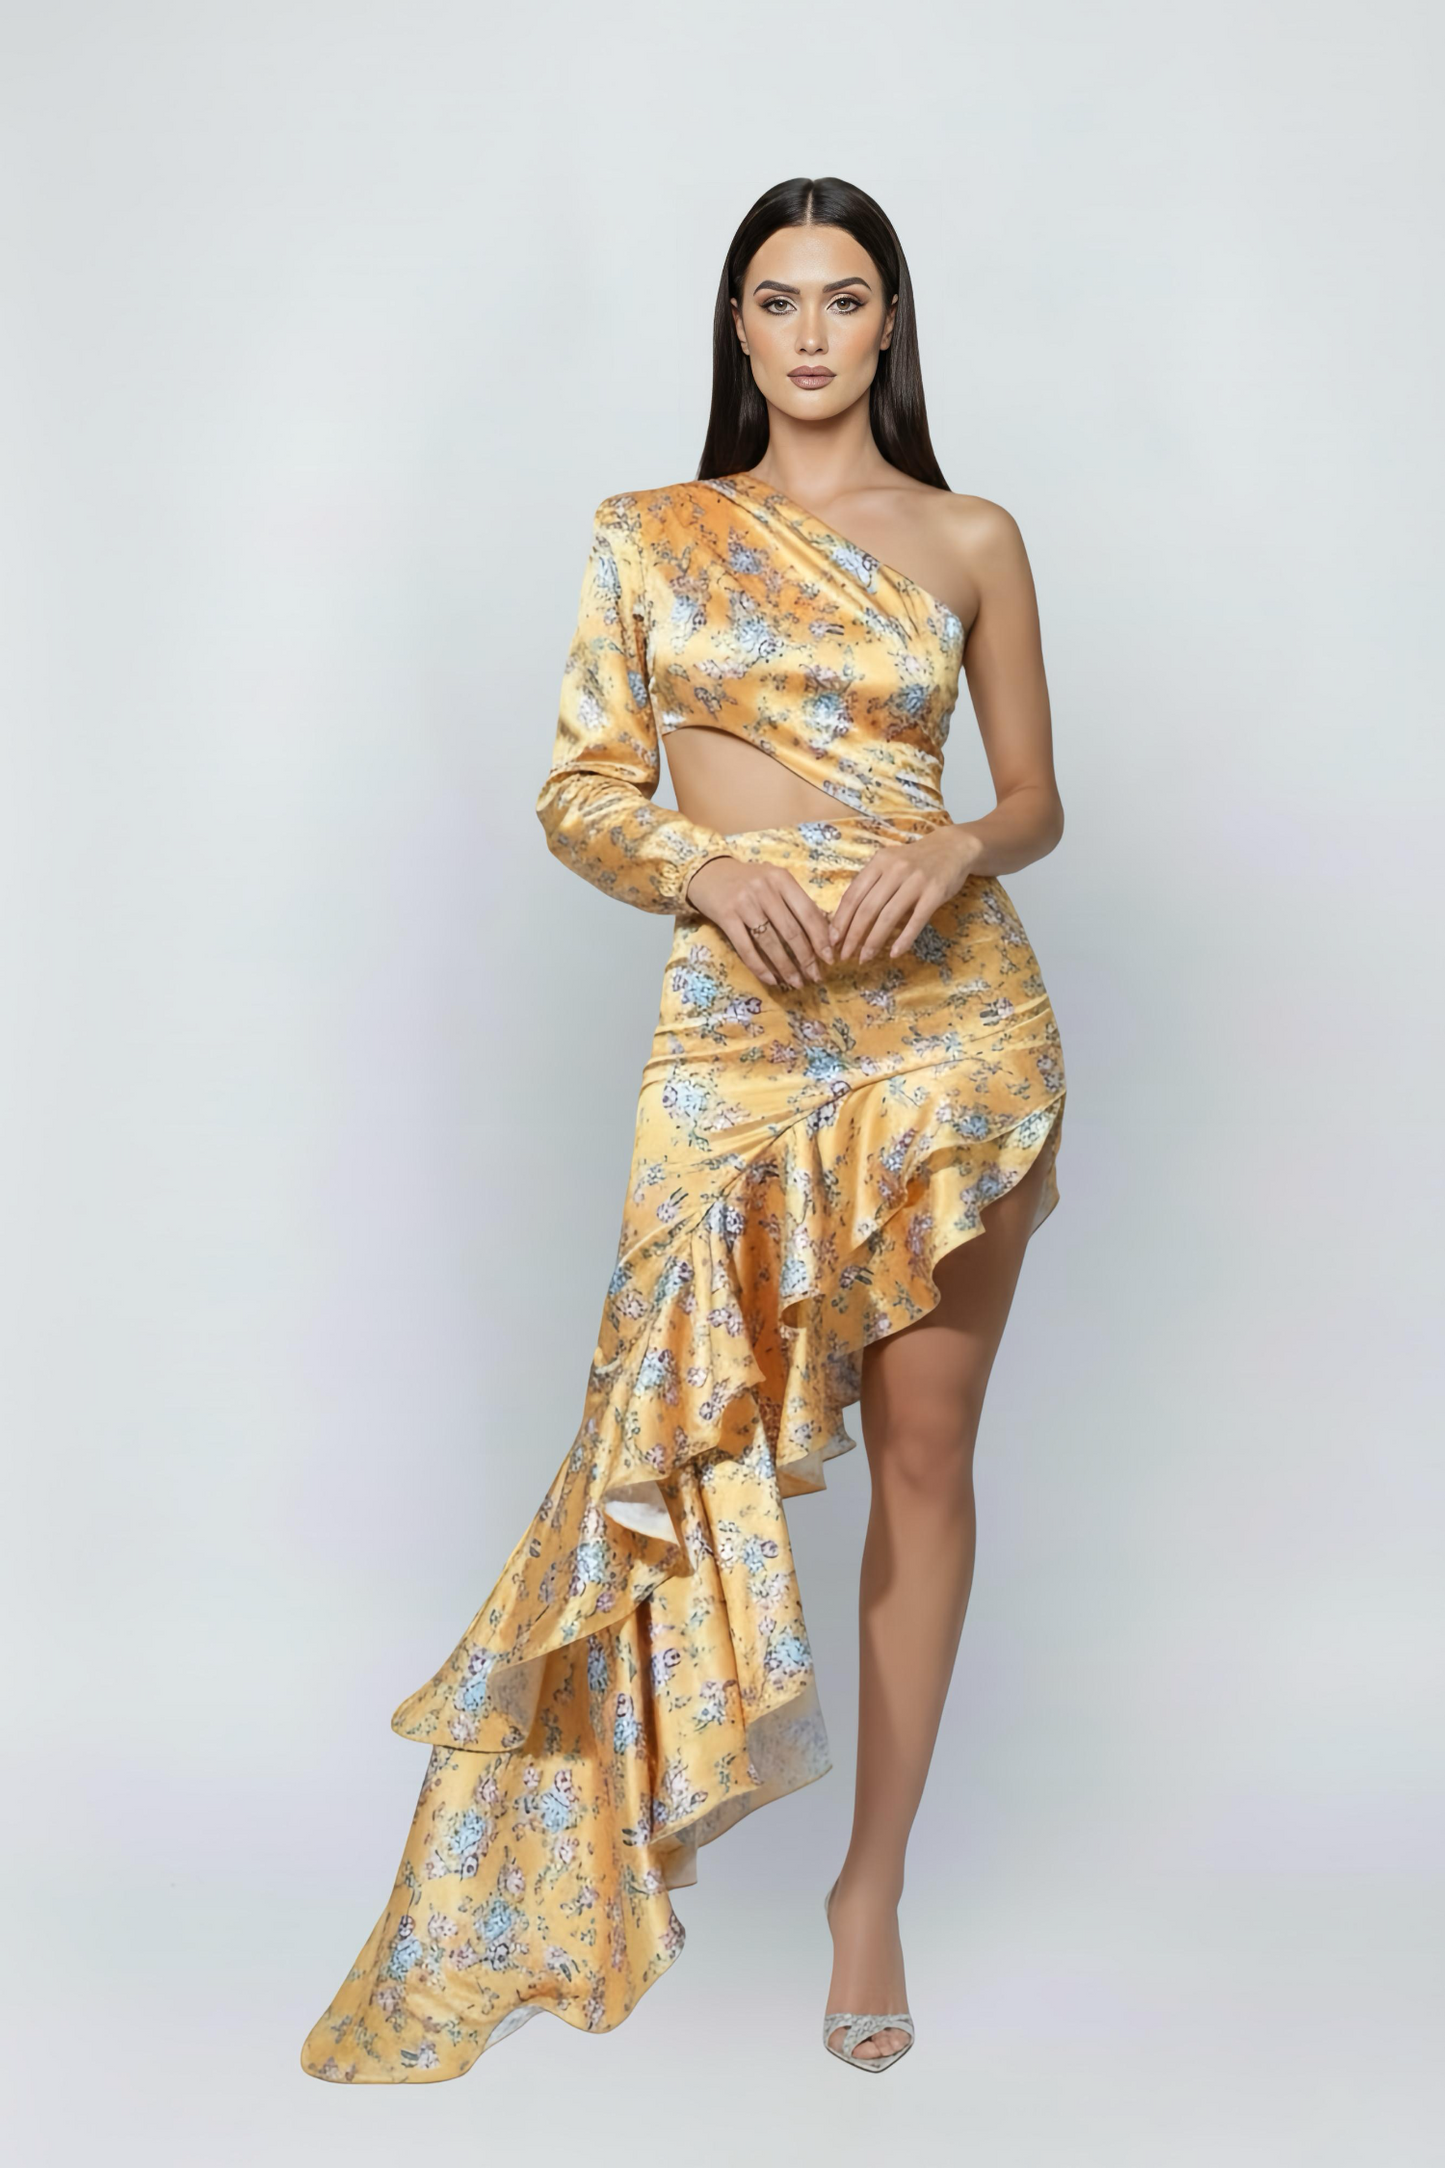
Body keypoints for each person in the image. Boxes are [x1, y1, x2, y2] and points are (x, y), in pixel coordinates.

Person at [300, 174, 1067, 2084]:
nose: (812, 333)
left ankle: (871, 1890)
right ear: (737, 325)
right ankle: (582, 1856)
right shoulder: (649, 534)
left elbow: (1037, 799)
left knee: (926, 1455)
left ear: (890, 324)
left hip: (948, 1029)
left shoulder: (972, 534)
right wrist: (704, 871)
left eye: (846, 299)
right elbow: (582, 789)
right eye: (778, 299)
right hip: (733, 1031)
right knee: (656, 1423)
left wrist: (957, 847)